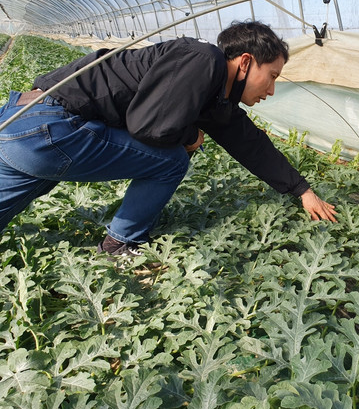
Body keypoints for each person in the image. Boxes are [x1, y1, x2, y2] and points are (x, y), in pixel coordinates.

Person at [0, 21, 337, 256]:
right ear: (246, 62)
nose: (272, 89)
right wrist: (191, 137)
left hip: (18, 127)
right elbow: (149, 126)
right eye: (272, 76)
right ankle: (120, 244)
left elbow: (247, 140)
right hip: (51, 129)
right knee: (172, 160)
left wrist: (301, 190)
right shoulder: (204, 60)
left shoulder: (211, 88)